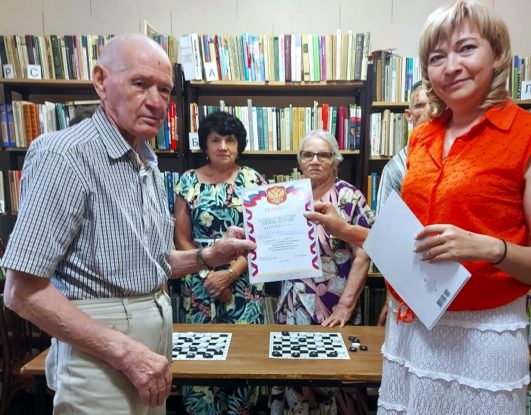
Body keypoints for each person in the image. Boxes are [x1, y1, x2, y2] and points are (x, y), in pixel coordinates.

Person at [306, 1, 531, 413]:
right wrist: (346, 230)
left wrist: (489, 248)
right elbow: (413, 245)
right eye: (436, 57)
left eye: (466, 48)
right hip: (411, 328)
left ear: (497, 53)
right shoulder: (422, 137)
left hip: (480, 335)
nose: (451, 67)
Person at [1, 34, 254, 415]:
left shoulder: (146, 162)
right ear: (101, 81)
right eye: (140, 83)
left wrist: (208, 256)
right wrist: (125, 352)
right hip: (104, 358)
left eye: (164, 89)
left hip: (149, 352)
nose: (156, 101)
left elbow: (151, 264)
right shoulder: (65, 154)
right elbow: (22, 291)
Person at [271, 129, 375, 415]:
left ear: (335, 160)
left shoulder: (349, 197)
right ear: (299, 161)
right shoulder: (287, 196)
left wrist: (345, 306)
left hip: (335, 306)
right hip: (293, 306)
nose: (315, 160)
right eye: (308, 154)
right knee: (294, 377)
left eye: (323, 155)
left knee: (335, 381)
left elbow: (366, 251)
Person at [173, 111, 267, 414]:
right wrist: (209, 276)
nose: (223, 146)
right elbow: (181, 237)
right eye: (215, 140)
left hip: (243, 284)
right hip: (199, 284)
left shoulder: (254, 180)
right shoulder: (187, 181)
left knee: (243, 362)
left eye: (230, 140)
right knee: (201, 362)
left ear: (239, 145)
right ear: (205, 145)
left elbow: (261, 237)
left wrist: (229, 275)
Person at [375, 81, 431, 326]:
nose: (429, 111)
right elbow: (385, 236)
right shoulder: (396, 169)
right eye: (420, 105)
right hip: (412, 278)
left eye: (435, 104)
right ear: (409, 115)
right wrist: (392, 295)